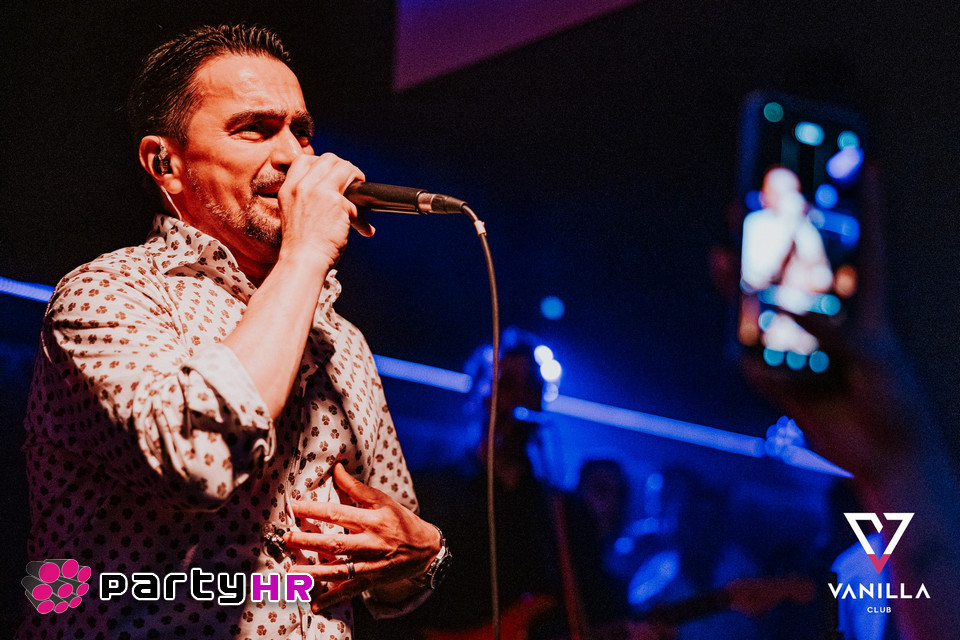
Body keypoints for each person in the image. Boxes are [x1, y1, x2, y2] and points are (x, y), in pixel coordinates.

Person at [18, 24, 446, 640]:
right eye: (255, 129)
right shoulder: (107, 292)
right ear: (165, 163)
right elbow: (198, 461)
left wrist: (425, 554)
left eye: (301, 131)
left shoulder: (341, 338)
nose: (294, 156)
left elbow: (390, 564)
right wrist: (305, 254)